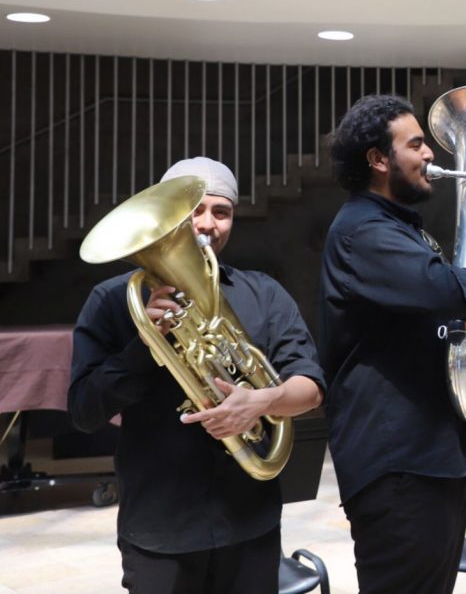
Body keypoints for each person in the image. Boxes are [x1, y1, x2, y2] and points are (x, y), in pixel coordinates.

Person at [319, 93, 466, 594]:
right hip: (398, 460)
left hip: (429, 453)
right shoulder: (363, 231)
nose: (430, 155)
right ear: (378, 160)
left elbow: (435, 311)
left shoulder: (400, 230)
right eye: (416, 144)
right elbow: (439, 289)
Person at [69, 156, 325, 594]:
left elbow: (311, 387)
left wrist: (261, 402)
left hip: (250, 524)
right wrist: (145, 346)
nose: (208, 223)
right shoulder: (112, 302)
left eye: (221, 212)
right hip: (159, 530)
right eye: (195, 210)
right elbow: (83, 412)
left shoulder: (264, 293)